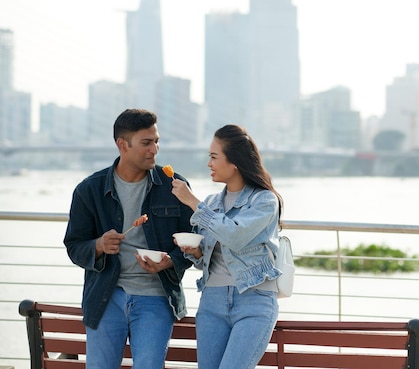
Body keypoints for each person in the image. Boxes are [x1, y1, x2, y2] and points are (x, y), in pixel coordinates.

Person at [63, 108, 195, 369]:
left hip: (156, 298)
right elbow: (74, 246)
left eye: (156, 141)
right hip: (105, 297)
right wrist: (99, 245)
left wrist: (170, 261)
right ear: (122, 145)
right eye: (146, 143)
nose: (154, 150)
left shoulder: (175, 186)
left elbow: (193, 243)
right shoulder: (90, 190)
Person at [170, 124, 283, 369]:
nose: (208, 163)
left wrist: (192, 202)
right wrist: (196, 252)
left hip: (253, 300)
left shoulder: (264, 201)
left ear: (235, 162)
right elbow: (207, 259)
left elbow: (235, 235)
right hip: (212, 302)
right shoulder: (213, 203)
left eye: (213, 156)